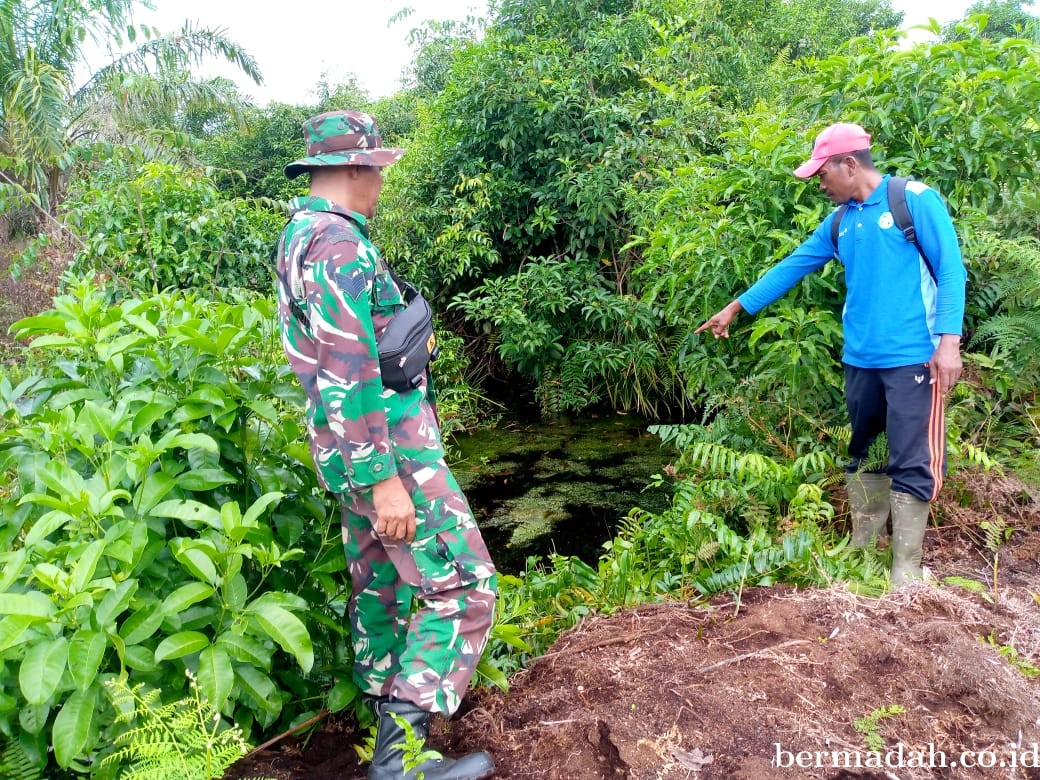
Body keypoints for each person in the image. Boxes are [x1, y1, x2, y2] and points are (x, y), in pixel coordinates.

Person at [275, 109, 498, 780]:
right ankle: (398, 766)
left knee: (380, 586)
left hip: (348, 451)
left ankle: (385, 739)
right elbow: (349, 367)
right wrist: (384, 479)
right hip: (387, 453)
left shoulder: (302, 235)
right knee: (464, 586)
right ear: (351, 169)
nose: (380, 183)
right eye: (376, 170)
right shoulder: (336, 244)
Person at [696, 122, 967, 587]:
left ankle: (905, 570)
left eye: (822, 175)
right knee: (865, 454)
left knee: (911, 458)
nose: (819, 185)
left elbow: (951, 270)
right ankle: (862, 553)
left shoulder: (913, 201)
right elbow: (794, 264)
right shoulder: (842, 220)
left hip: (914, 360)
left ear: (848, 164)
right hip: (861, 360)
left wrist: (949, 345)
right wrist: (736, 307)